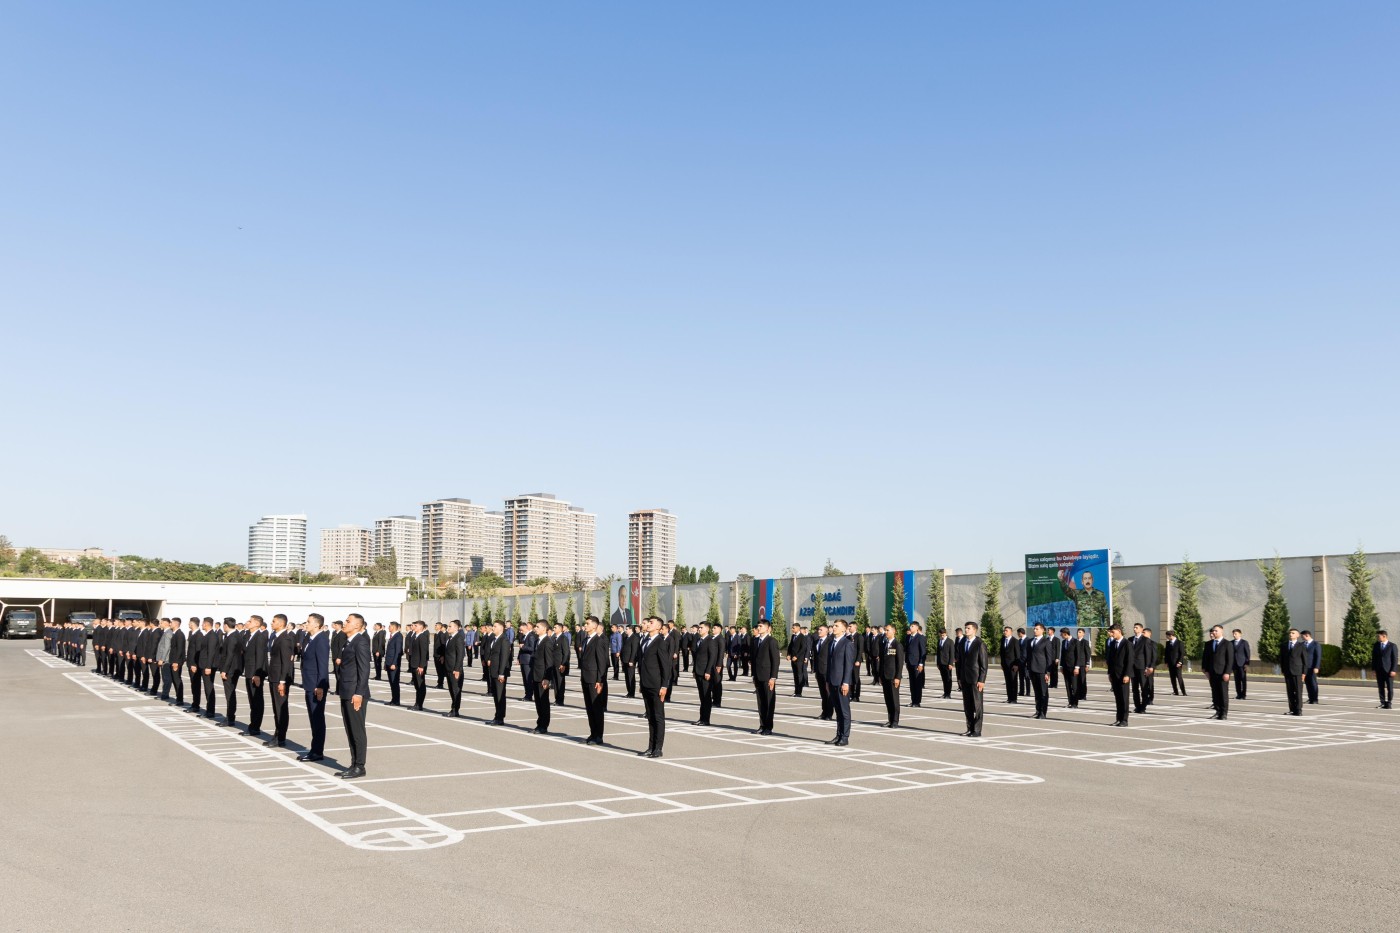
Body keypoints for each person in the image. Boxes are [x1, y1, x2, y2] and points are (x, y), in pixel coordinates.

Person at [335, 614, 371, 779]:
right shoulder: (348, 641)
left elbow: (364, 671)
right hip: (346, 690)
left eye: (348, 621)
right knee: (350, 730)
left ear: (357, 626)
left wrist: (359, 693)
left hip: (355, 693)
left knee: (357, 730)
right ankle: (353, 763)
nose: (345, 623)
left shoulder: (360, 642)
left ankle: (360, 766)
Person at [637, 616, 672, 758]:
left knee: (658, 717)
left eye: (652, 623)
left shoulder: (660, 642)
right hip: (646, 684)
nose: (648, 624)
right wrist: (641, 682)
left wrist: (664, 685)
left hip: (657, 685)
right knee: (650, 717)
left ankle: (658, 748)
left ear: (658, 627)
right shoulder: (645, 640)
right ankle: (650, 747)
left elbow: (666, 666)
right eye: (648, 622)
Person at [299, 614, 329, 762]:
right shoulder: (308, 638)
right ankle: (314, 749)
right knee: (313, 718)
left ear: (317, 625)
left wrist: (320, 686)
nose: (306, 623)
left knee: (317, 719)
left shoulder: (321, 639)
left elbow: (322, 664)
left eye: (309, 622)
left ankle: (317, 751)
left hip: (316, 685)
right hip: (309, 683)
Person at [578, 615, 609, 744]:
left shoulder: (599, 640)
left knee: (596, 708)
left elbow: (602, 662)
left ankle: (598, 736)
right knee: (589, 708)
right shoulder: (586, 640)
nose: (585, 625)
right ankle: (592, 733)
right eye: (585, 623)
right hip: (585, 678)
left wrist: (600, 680)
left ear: (595, 626)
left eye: (588, 623)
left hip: (594, 678)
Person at [266, 614, 295, 748]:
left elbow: (286, 663)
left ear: (281, 624)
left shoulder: (285, 639)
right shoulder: (277, 637)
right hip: (274, 677)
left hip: (280, 679)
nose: (271, 623)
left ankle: (281, 737)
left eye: (274, 621)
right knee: (276, 708)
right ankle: (277, 734)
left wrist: (283, 681)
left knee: (280, 708)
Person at [954, 622, 987, 738]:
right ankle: (969, 728)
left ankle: (977, 730)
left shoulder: (980, 644)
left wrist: (981, 680)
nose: (966, 630)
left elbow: (983, 665)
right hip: (965, 678)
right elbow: (960, 662)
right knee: (967, 706)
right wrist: (959, 677)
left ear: (974, 630)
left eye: (968, 628)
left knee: (977, 706)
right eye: (965, 628)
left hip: (975, 679)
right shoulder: (962, 642)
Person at [825, 619, 855, 746]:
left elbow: (849, 665)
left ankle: (845, 736)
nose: (834, 627)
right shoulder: (832, 643)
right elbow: (829, 664)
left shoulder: (847, 643)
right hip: (832, 681)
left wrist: (846, 682)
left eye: (837, 626)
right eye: (833, 625)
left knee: (844, 710)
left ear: (844, 629)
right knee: (837, 710)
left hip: (842, 682)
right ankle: (838, 735)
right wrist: (827, 680)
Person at [750, 619, 780, 736]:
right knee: (760, 703)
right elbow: (753, 659)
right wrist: (753, 674)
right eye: (758, 626)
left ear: (768, 628)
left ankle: (768, 727)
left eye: (761, 626)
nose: (759, 628)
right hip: (758, 676)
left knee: (769, 703)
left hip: (767, 677)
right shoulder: (755, 640)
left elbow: (775, 661)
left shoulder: (771, 641)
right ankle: (762, 725)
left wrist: (773, 677)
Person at [241, 616, 268, 736]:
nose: (247, 622)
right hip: (249, 671)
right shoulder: (248, 635)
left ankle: (255, 727)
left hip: (255, 673)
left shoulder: (260, 636)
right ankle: (252, 725)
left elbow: (260, 656)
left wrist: (257, 674)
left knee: (257, 700)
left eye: (250, 621)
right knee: (252, 700)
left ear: (256, 624)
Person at [529, 621, 557, 734]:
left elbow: (549, 662)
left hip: (542, 677)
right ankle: (539, 724)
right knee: (538, 702)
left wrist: (547, 678)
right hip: (536, 675)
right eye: (535, 626)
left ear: (544, 629)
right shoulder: (537, 641)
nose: (535, 628)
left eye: (537, 626)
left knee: (543, 701)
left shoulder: (547, 642)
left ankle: (544, 726)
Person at [484, 620, 512, 725]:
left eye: (495, 626)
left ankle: (500, 718)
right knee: (496, 695)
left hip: (499, 672)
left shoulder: (504, 640)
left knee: (500, 695)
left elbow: (504, 657)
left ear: (501, 628)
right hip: (493, 671)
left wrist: (501, 673)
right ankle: (497, 716)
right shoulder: (494, 639)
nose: (493, 628)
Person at [877, 623, 905, 727]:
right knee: (888, 699)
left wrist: (898, 677)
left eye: (888, 630)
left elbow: (899, 663)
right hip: (885, 676)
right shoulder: (884, 644)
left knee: (894, 699)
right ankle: (890, 719)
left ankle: (895, 721)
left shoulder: (897, 645)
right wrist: (880, 675)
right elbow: (882, 661)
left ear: (894, 631)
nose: (886, 632)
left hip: (893, 677)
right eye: (885, 630)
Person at [1104, 624, 1132, 727]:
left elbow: (1129, 661)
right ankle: (1118, 718)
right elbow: (1110, 660)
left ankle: (1124, 720)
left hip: (1123, 675)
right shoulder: (1112, 644)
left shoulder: (1127, 644)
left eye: (1113, 632)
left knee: (1124, 698)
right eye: (1110, 632)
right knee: (1118, 698)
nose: (1111, 634)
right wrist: (1110, 673)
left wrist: (1127, 674)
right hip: (1114, 674)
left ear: (1119, 631)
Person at [1202, 625, 1232, 720]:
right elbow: (1205, 658)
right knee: (1215, 694)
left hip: (1222, 673)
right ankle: (1217, 711)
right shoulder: (1208, 644)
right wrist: (1205, 670)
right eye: (1213, 631)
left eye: (1216, 631)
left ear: (1221, 631)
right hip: (1212, 673)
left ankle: (1224, 713)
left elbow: (1230, 660)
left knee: (1223, 694)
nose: (1214, 632)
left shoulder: (1227, 644)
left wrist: (1227, 672)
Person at [219, 617, 244, 728]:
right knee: (231, 693)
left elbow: (230, 655)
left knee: (229, 694)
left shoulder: (232, 637)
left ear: (226, 625)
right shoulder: (237, 635)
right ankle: (230, 717)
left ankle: (230, 718)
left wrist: (224, 670)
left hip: (231, 669)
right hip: (235, 668)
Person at [691, 621, 717, 726]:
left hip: (705, 672)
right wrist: (694, 670)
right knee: (702, 696)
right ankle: (701, 718)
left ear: (707, 629)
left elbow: (712, 657)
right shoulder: (699, 640)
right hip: (698, 671)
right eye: (699, 628)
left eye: (701, 628)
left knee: (706, 697)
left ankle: (706, 719)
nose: (699, 629)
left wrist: (708, 671)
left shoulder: (710, 640)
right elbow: (696, 657)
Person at [1024, 623, 1053, 720]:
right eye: (1034, 629)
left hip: (1042, 670)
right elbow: (1028, 656)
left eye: (1036, 629)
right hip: (1032, 669)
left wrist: (1048, 672)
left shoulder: (1046, 641)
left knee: (1043, 692)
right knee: (1037, 692)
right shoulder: (1030, 641)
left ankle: (1043, 712)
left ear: (1042, 630)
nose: (1034, 630)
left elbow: (1049, 658)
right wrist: (1027, 668)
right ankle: (1037, 710)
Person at [1281, 629, 1307, 716]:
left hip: (1298, 672)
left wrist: (1304, 673)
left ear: (1297, 635)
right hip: (1288, 672)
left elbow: (1305, 660)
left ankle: (1298, 710)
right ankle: (1292, 709)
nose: (1291, 634)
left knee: (1298, 691)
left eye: (1293, 633)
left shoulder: (1301, 646)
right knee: (1290, 691)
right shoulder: (1284, 645)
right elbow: (1282, 659)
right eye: (1290, 633)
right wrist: (1283, 670)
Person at [443, 620, 465, 717]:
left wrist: (457, 669)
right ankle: (453, 708)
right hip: (448, 667)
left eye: (450, 626)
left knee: (456, 690)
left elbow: (460, 655)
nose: (448, 628)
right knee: (451, 689)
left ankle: (455, 710)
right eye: (448, 626)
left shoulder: (458, 638)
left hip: (455, 669)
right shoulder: (449, 638)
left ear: (456, 628)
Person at [812, 623, 833, 719]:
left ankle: (829, 714)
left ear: (826, 631)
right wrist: (814, 669)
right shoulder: (816, 641)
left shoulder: (830, 641)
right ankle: (824, 712)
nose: (819, 631)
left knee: (828, 693)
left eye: (821, 630)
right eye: (818, 630)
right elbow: (816, 657)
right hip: (819, 671)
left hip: (827, 670)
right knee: (823, 693)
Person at [408, 620, 429, 711]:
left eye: (416, 626)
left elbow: (424, 653)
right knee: (416, 685)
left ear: (421, 627)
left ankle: (419, 704)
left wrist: (421, 666)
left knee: (420, 685)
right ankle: (417, 703)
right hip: (413, 664)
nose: (414, 627)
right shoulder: (414, 636)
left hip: (418, 665)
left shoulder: (423, 637)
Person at [1129, 623, 1150, 714]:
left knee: (1143, 688)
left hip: (1141, 667)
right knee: (1134, 688)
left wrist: (1147, 667)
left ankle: (1143, 707)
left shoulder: (1145, 640)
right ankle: (1137, 706)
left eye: (1136, 627)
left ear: (1141, 629)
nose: (1134, 629)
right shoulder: (1130, 639)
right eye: (1134, 627)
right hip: (1132, 667)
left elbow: (1147, 655)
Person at [904, 622, 926, 707]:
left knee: (917, 683)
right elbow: (907, 650)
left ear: (917, 628)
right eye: (910, 626)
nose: (910, 627)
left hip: (917, 663)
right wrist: (906, 661)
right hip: (909, 662)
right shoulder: (908, 637)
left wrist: (921, 663)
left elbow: (923, 651)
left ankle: (917, 702)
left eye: (912, 626)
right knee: (912, 683)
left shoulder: (920, 638)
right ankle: (913, 700)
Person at [1373, 630, 1396, 709]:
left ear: (1384, 636)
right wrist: (1374, 670)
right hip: (1379, 670)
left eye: (1378, 636)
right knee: (1381, 687)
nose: (1377, 638)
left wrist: (1393, 670)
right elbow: (1374, 658)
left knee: (1390, 688)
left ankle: (1389, 703)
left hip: (1389, 670)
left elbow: (1394, 659)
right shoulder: (1376, 645)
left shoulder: (1392, 646)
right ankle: (1382, 703)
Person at [517, 619, 538, 702]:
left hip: (528, 661)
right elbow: (521, 649)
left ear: (526, 628)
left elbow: (532, 648)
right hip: (523, 660)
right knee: (525, 679)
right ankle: (527, 694)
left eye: (521, 630)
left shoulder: (531, 636)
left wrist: (523, 647)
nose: (520, 631)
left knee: (528, 679)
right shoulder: (524, 636)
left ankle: (529, 695)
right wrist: (519, 658)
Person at [788, 624, 810, 697]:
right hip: (793, 659)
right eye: (792, 628)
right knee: (795, 675)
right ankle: (796, 691)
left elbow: (803, 648)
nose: (792, 629)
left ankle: (799, 692)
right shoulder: (793, 636)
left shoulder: (802, 637)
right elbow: (790, 646)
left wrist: (797, 656)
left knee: (799, 675)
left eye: (793, 628)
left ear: (798, 628)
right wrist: (788, 654)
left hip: (799, 659)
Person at [384, 622, 403, 706]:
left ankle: (396, 701)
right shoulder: (392, 636)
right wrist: (386, 663)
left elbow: (398, 651)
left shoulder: (398, 636)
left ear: (394, 627)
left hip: (393, 664)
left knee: (394, 683)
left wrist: (394, 663)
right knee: (391, 683)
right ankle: (393, 699)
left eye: (390, 626)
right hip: (389, 662)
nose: (388, 627)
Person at [1000, 627, 1020, 704]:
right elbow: (1001, 653)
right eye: (1004, 630)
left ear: (1011, 632)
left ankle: (1014, 699)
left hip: (1013, 665)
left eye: (1006, 631)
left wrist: (1016, 664)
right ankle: (1009, 698)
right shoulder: (1003, 640)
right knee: (1008, 681)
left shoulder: (1015, 641)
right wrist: (1002, 663)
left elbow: (1018, 654)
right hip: (1005, 665)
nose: (1005, 632)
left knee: (1013, 681)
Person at [1163, 630, 1187, 695]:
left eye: (1167, 636)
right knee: (1172, 678)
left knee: (1179, 678)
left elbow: (1182, 653)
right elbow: (1166, 653)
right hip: (1170, 663)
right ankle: (1175, 691)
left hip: (1177, 663)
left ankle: (1184, 692)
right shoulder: (1168, 643)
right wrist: (1166, 662)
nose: (1166, 637)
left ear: (1171, 636)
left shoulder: (1179, 643)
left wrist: (1180, 662)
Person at [620, 622, 640, 698]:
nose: (626, 630)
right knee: (626, 677)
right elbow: (623, 649)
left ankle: (632, 692)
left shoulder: (634, 638)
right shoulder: (626, 638)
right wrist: (622, 659)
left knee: (631, 677)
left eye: (627, 629)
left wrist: (632, 660)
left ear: (631, 630)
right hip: (625, 660)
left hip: (630, 661)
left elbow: (634, 650)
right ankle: (629, 692)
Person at [1301, 631, 1321, 704]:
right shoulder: (1302, 644)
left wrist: (1316, 667)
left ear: (1307, 635)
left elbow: (1318, 656)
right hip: (1304, 667)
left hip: (1312, 667)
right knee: (1307, 683)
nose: (1301, 637)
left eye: (1302, 636)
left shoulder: (1315, 644)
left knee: (1313, 683)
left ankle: (1315, 699)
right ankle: (1310, 698)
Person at [1231, 629, 1251, 700]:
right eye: (1233, 634)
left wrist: (1247, 664)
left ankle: (1243, 695)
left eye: (1235, 634)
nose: (1234, 635)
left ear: (1240, 634)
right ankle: (1238, 694)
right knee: (1237, 680)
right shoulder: (1231, 642)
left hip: (1242, 664)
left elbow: (1247, 654)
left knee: (1243, 679)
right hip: (1234, 664)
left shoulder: (1244, 642)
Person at [935, 628, 954, 699]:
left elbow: (952, 653)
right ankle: (945, 693)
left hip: (947, 663)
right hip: (941, 663)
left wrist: (951, 663)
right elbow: (938, 653)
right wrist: (937, 663)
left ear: (945, 633)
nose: (942, 636)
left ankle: (948, 694)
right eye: (941, 635)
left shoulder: (950, 641)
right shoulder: (939, 641)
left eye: (943, 635)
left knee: (948, 679)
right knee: (944, 679)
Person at [1141, 627, 1158, 706]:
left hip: (1149, 666)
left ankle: (1150, 698)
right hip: (1141, 666)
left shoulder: (1153, 643)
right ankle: (1144, 698)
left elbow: (1154, 656)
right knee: (1143, 683)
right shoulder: (1140, 643)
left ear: (1149, 633)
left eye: (1144, 632)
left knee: (1150, 683)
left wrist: (1151, 666)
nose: (1142, 634)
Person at [330, 620, 346, 692]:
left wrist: (339, 657)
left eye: (335, 625)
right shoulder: (335, 633)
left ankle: (339, 690)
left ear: (339, 625)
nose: (334, 626)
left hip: (338, 657)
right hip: (334, 655)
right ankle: (338, 690)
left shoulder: (342, 634)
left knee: (339, 673)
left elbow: (341, 646)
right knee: (336, 673)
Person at [432, 622, 448, 690]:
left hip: (439, 655)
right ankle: (439, 683)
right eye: (435, 625)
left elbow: (443, 645)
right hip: (436, 654)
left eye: (436, 625)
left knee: (440, 670)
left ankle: (440, 684)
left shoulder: (441, 634)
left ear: (440, 627)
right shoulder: (436, 634)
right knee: (438, 670)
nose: (435, 626)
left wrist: (442, 656)